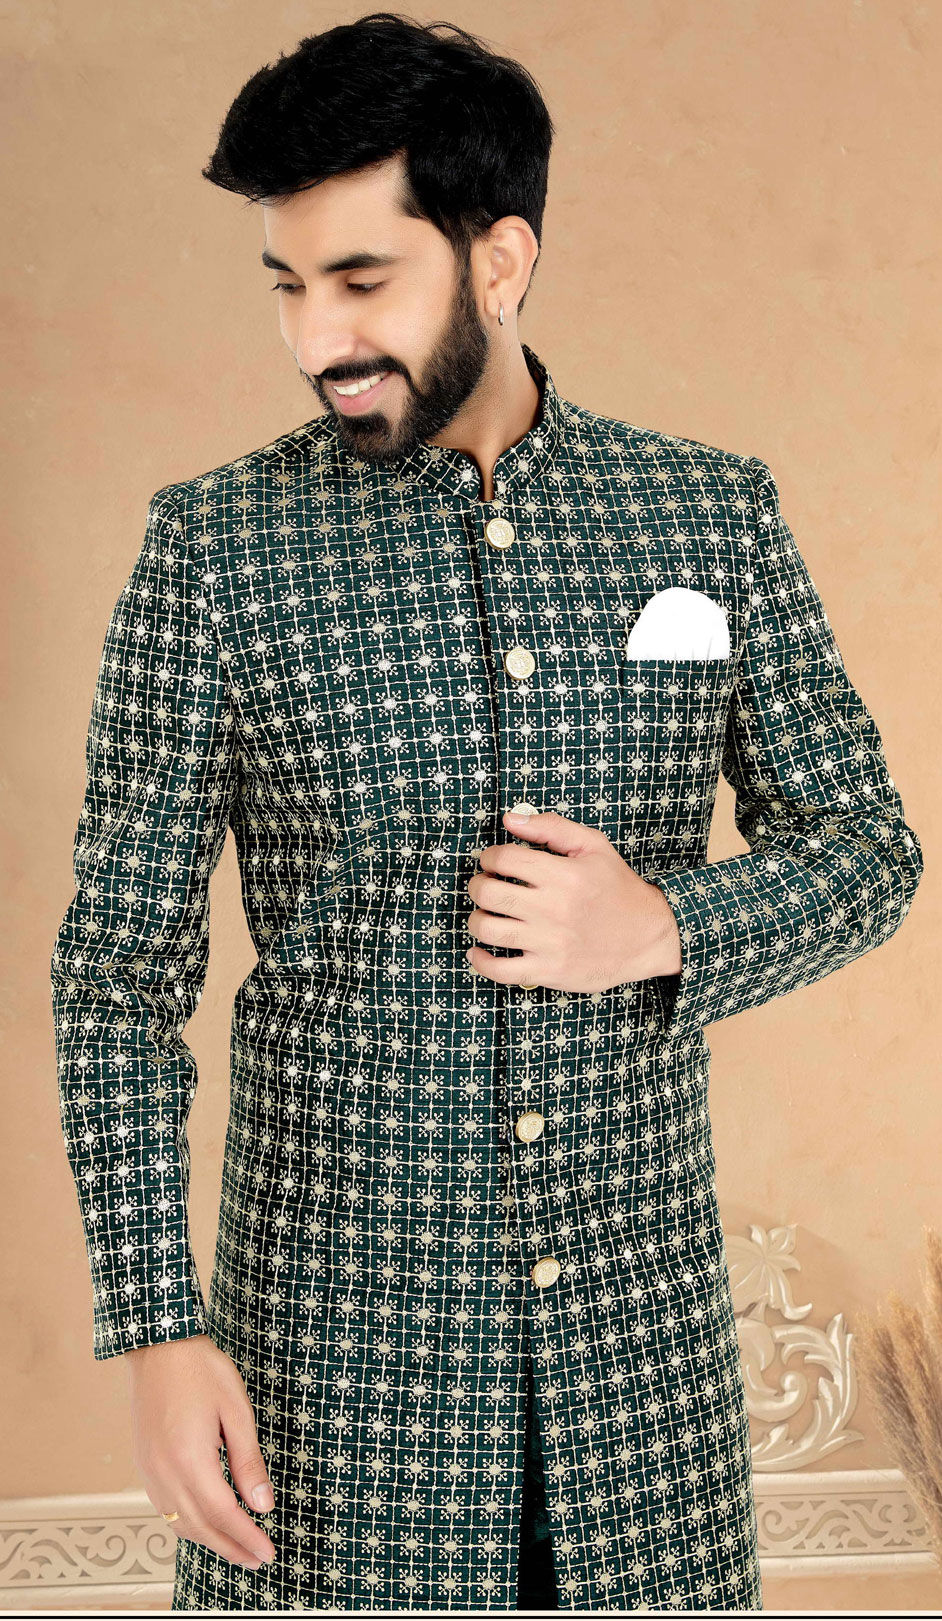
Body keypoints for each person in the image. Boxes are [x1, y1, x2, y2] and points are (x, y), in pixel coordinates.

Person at [49, 12, 923, 1613]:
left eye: (361, 280)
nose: (316, 338)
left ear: (499, 258)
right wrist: (158, 1328)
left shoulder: (702, 515)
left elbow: (866, 848)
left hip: (636, 1376)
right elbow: (116, 978)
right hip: (332, 1374)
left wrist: (662, 925)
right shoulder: (216, 551)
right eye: (286, 286)